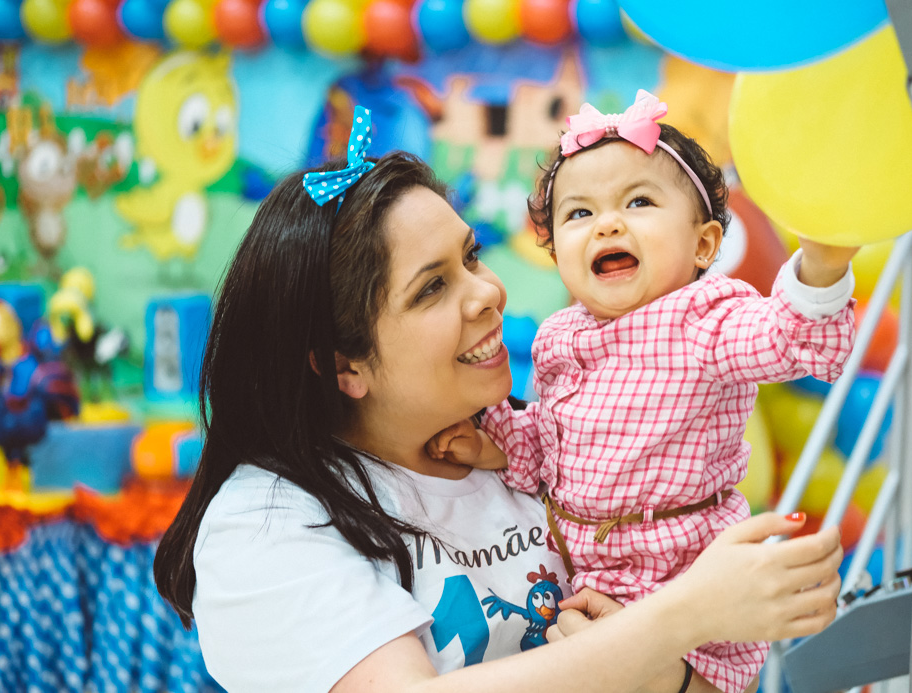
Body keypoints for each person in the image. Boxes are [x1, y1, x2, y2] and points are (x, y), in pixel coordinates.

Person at [154, 105, 844, 693]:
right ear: (343, 366)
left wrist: (671, 671)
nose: (489, 293)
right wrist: (678, 620)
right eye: (432, 287)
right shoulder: (269, 521)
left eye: (473, 255)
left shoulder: (528, 449)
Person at [426, 90, 858, 693]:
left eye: (639, 201)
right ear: (556, 254)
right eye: (579, 214)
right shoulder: (559, 336)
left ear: (704, 245)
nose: (607, 222)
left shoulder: (707, 318)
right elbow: (554, 442)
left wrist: (823, 267)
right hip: (584, 569)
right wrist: (493, 446)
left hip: (682, 569)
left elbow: (786, 340)